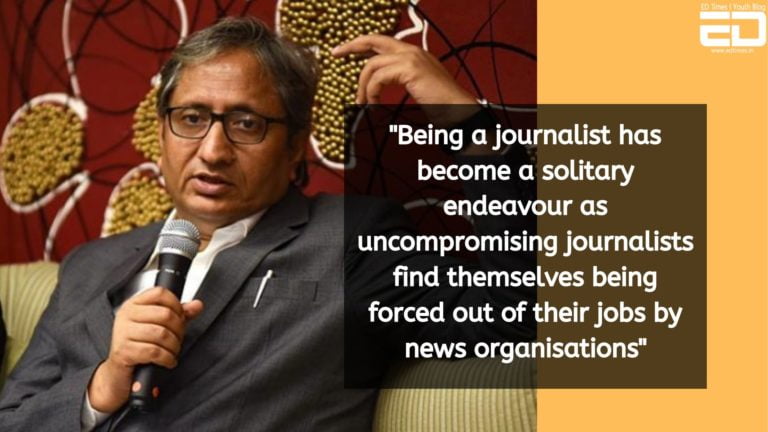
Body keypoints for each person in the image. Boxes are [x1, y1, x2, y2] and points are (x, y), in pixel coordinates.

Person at [0, 17, 534, 431]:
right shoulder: (89, 265)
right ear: (161, 133)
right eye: (191, 119)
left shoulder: (353, 239)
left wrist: (467, 124)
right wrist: (103, 385)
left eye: (246, 123)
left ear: (295, 145)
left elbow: (516, 313)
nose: (213, 151)